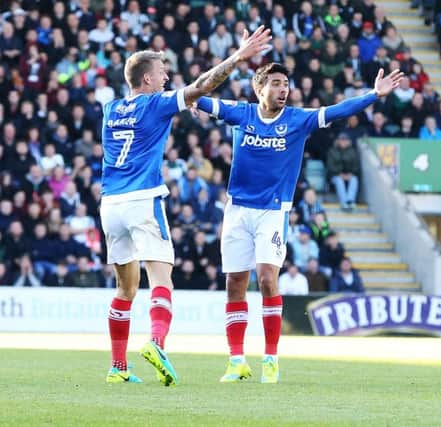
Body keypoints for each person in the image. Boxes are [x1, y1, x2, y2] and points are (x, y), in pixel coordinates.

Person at [194, 62, 403, 383]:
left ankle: (271, 358)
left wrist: (373, 95)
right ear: (259, 88)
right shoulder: (242, 114)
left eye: (286, 84)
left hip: (273, 211)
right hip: (236, 210)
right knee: (235, 283)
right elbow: (198, 94)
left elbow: (336, 111)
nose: (283, 89)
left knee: (266, 279)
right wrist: (192, 100)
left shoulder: (297, 119)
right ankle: (236, 360)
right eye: (276, 83)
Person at [100, 26, 271, 385]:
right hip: (142, 199)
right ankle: (157, 343)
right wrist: (238, 58)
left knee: (125, 289)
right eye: (161, 72)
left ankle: (118, 369)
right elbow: (202, 87)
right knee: (162, 279)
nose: (166, 77)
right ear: (147, 78)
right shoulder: (155, 103)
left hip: (110, 203)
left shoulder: (111, 109)